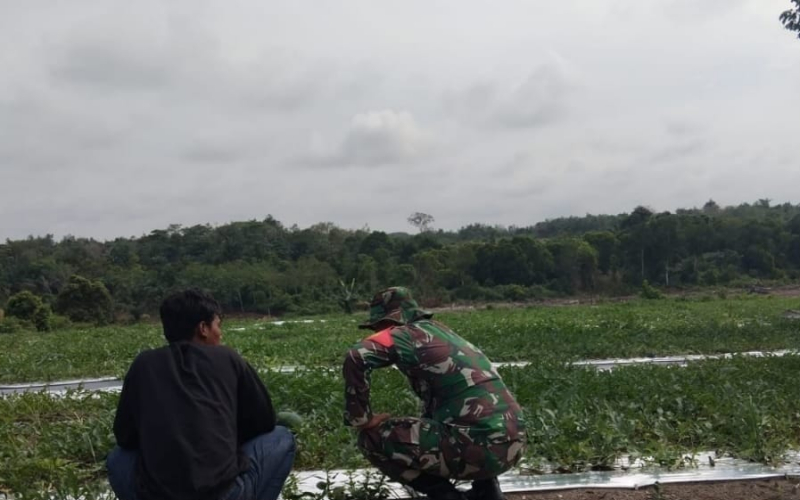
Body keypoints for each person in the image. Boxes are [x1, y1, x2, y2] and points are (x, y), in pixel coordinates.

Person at [107, 289, 295, 500]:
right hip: (224, 493)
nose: (220, 334)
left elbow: (124, 436)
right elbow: (264, 422)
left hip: (157, 494)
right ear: (203, 328)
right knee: (282, 436)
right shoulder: (227, 357)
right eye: (218, 325)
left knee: (117, 458)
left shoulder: (143, 364)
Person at [343, 287, 526, 500]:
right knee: (459, 418)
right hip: (514, 444)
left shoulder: (402, 334)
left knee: (371, 438)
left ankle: (445, 496)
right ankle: (488, 491)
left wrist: (362, 419)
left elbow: (356, 356)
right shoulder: (442, 333)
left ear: (388, 322)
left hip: (479, 449)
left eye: (377, 326)